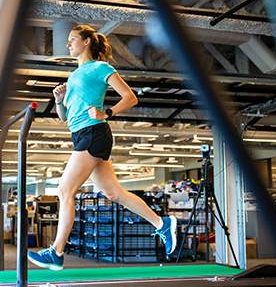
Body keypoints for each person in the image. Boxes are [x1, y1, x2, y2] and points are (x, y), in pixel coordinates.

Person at [28, 25, 177, 271]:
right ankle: (162, 224)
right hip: (81, 134)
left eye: (72, 39)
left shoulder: (100, 68)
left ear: (86, 42)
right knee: (114, 194)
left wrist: (105, 112)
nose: (68, 44)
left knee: (65, 190)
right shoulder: (74, 75)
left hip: (93, 133)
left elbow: (130, 96)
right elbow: (64, 118)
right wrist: (58, 100)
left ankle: (56, 252)